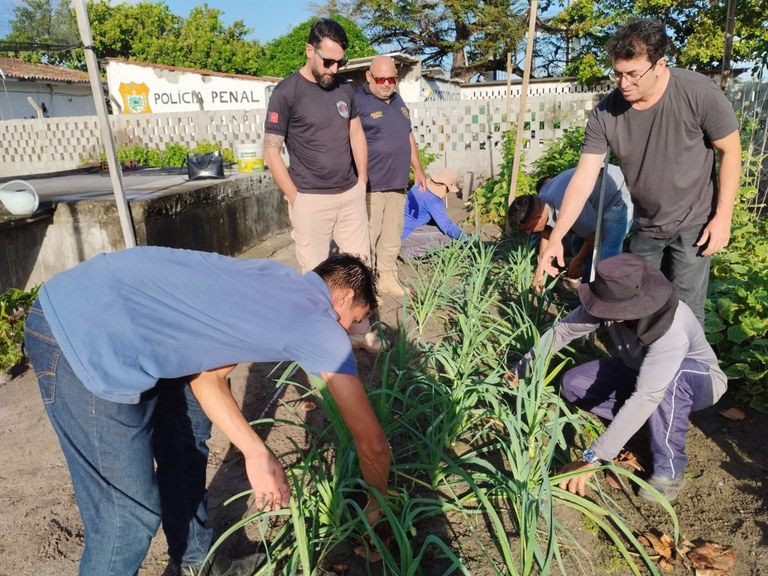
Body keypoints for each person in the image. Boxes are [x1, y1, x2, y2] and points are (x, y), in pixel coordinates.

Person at [24, 247, 391, 576]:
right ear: (342, 296)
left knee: (188, 435)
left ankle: (199, 560)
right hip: (82, 332)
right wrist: (378, 509)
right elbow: (372, 443)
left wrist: (255, 451)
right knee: (126, 517)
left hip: (109, 302)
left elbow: (209, 378)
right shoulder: (321, 325)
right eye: (358, 317)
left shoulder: (275, 278)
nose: (354, 330)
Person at [535, 19, 741, 325]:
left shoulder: (698, 94)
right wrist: (557, 237)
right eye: (617, 73)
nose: (624, 83)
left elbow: (731, 151)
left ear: (660, 65)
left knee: (684, 315)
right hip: (646, 225)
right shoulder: (607, 112)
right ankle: (639, 369)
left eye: (633, 74)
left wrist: (722, 217)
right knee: (635, 309)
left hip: (693, 223)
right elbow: (583, 178)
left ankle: (686, 372)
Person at [515, 253, 726, 501]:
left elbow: (647, 395)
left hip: (699, 380)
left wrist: (593, 456)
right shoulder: (608, 301)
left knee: (668, 383)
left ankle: (670, 468)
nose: (609, 314)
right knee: (574, 384)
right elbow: (562, 331)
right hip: (640, 370)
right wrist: (520, 371)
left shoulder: (672, 328)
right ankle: (647, 423)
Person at [263, 18, 382, 352]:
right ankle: (320, 340)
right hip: (310, 200)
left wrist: (361, 180)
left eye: (339, 62)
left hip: (349, 195)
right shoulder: (286, 92)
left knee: (360, 266)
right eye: (327, 61)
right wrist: (295, 197)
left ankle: (360, 331)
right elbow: (271, 151)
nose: (334, 68)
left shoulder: (345, 88)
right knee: (315, 276)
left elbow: (356, 131)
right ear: (309, 50)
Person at [354, 55, 427, 298]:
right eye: (381, 78)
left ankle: (387, 278)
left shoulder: (398, 100)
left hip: (397, 183)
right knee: (368, 237)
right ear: (369, 76)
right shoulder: (357, 101)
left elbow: (408, 135)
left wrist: (418, 169)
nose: (386, 84)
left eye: (392, 79)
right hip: (370, 185)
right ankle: (367, 286)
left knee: (392, 235)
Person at [508, 164, 633, 284]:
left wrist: (576, 262)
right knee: (579, 244)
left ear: (539, 218)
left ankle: (608, 299)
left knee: (606, 255)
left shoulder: (566, 206)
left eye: (529, 228)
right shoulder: (540, 202)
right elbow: (547, 233)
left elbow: (595, 236)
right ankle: (587, 291)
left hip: (618, 195)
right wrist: (540, 273)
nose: (528, 232)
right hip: (593, 195)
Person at [400, 168, 468, 259]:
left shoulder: (420, 185)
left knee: (448, 230)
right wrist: (466, 240)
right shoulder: (433, 200)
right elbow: (446, 226)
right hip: (408, 233)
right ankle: (410, 252)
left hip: (398, 228)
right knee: (447, 237)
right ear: (446, 187)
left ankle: (405, 247)